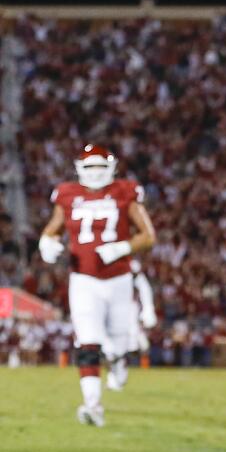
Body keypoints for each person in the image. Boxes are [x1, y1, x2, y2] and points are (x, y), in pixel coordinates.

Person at [37, 144, 157, 426]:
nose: (94, 173)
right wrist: (46, 244)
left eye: (100, 167)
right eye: (89, 167)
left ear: (111, 168)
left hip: (119, 279)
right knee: (87, 342)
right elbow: (53, 228)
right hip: (83, 279)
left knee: (117, 343)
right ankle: (92, 405)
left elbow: (148, 235)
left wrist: (121, 247)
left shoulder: (125, 191)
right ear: (79, 169)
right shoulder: (67, 194)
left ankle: (117, 360)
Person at [100, 258, 158, 389]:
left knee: (124, 346)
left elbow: (143, 286)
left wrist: (148, 309)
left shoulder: (130, 264)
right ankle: (114, 377)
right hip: (107, 307)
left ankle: (118, 376)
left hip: (128, 308)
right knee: (107, 347)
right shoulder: (102, 258)